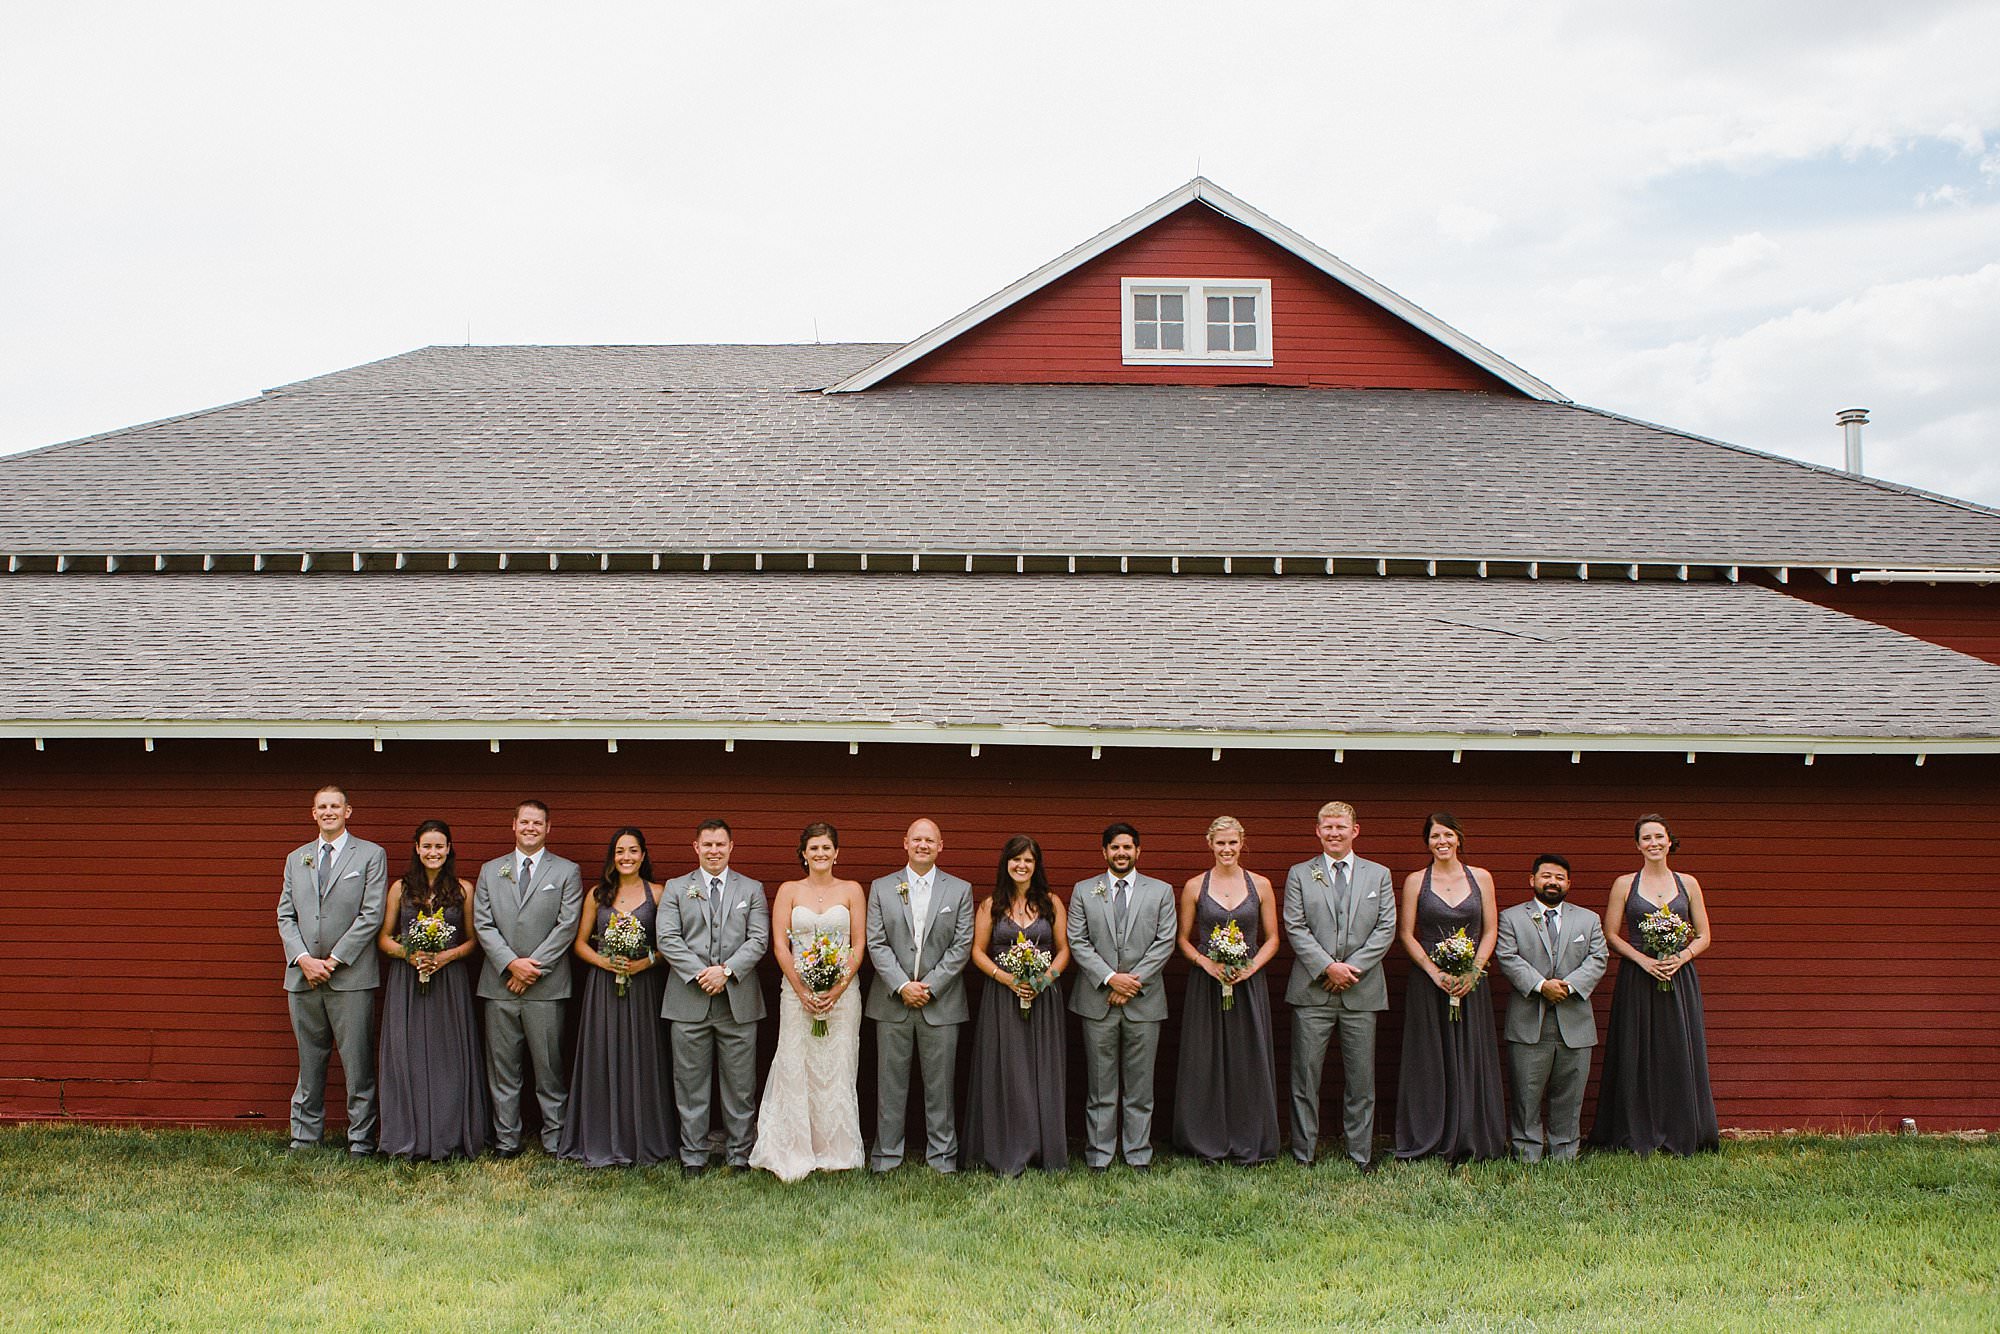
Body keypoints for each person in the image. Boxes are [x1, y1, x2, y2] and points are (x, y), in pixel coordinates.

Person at [1590, 814, 1719, 1155]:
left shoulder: (1688, 883)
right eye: (1646, 838)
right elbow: (1611, 934)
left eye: (1659, 837)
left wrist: (1683, 956)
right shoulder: (1624, 884)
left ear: (1669, 841)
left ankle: (1683, 1129)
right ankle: (1634, 1130)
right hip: (1637, 976)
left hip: (1679, 976)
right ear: (1637, 845)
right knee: (1636, 1049)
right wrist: (1643, 960)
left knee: (1678, 1048)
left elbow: (1705, 935)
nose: (1653, 843)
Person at [749, 822, 868, 1181]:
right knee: (795, 1062)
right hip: (795, 991)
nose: (820, 854)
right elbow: (780, 945)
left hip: (842, 995)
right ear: (803, 853)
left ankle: (837, 1149)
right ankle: (795, 1148)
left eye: (826, 848)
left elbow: (858, 944)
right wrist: (802, 989)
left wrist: (837, 987)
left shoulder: (851, 890)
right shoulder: (788, 890)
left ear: (837, 853)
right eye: (813, 848)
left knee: (837, 1063)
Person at [1283, 800, 1397, 1170]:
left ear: (1354, 831)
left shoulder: (1378, 875)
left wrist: (1351, 969)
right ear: (1318, 831)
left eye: (1340, 827)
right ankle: (1304, 1152)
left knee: (1361, 1080)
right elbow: (1295, 927)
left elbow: (1385, 929)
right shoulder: (1300, 874)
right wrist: (1326, 967)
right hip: (1312, 991)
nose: (1334, 833)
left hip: (1361, 992)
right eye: (1327, 827)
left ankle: (1359, 1153)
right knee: (1305, 1076)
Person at [276, 783, 388, 1154]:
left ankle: (361, 1139)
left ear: (347, 812)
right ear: (313, 813)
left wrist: (335, 960)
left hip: (350, 976)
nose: (328, 812)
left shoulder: (370, 855)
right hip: (302, 976)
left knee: (357, 1063)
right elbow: (285, 914)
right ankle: (305, 1137)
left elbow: (371, 914)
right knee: (309, 1061)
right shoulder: (297, 857)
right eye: (322, 807)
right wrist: (304, 959)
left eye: (335, 806)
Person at [471, 799, 584, 1157]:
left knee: (549, 1067)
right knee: (503, 1068)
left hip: (546, 986)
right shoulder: (491, 870)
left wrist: (532, 967)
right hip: (500, 984)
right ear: (514, 825)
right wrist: (510, 964)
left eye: (537, 823)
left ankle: (555, 1138)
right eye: (525, 822)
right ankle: (507, 1139)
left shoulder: (567, 871)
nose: (530, 828)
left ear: (548, 828)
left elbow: (567, 926)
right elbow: (483, 924)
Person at [656, 818, 770, 1175]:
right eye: (707, 845)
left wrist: (727, 971)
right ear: (696, 847)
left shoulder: (751, 889)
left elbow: (759, 939)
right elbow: (668, 939)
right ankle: (693, 1154)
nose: (714, 851)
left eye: (720, 844)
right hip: (688, 1000)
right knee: (690, 1083)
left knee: (740, 1085)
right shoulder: (676, 888)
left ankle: (740, 1154)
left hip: (738, 1001)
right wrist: (702, 973)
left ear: (731, 847)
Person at [557, 827, 675, 1166]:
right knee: (603, 1054)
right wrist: (606, 963)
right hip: (603, 987)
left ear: (643, 855)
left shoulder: (659, 893)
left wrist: (644, 963)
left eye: (633, 851)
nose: (626, 857)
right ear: (613, 857)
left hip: (643, 986)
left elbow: (668, 946)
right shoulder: (598, 894)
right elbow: (580, 943)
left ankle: (644, 1137)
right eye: (620, 851)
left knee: (643, 1055)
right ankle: (599, 1136)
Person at [1392, 812, 1506, 1162]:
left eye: (1447, 835)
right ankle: (1429, 1133)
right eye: (1434, 836)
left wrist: (1473, 970)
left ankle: (1472, 1134)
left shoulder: (1481, 878)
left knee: (1470, 1053)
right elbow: (1406, 934)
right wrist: (1432, 971)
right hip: (1430, 984)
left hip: (1471, 983)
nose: (1441, 842)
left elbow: (1489, 930)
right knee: (1429, 1056)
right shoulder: (1416, 881)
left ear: (1459, 838)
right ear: (1427, 842)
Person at [865, 817, 975, 1174]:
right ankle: (886, 1157)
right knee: (890, 1085)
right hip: (892, 1001)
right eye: (917, 839)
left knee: (940, 1087)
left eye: (930, 840)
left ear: (940, 846)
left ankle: (942, 1158)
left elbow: (961, 946)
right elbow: (876, 942)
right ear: (905, 843)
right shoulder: (882, 887)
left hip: (940, 1002)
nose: (923, 845)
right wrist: (902, 985)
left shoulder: (959, 890)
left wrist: (930, 986)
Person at [1066, 822, 1178, 1171]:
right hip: (1097, 1002)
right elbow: (1078, 941)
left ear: (1138, 851)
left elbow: (1165, 942)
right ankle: (1099, 1154)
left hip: (1144, 1003)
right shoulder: (1084, 890)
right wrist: (1111, 979)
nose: (1121, 853)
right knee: (1100, 1085)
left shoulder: (1160, 891)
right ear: (1104, 852)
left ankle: (1138, 1152)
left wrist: (1132, 983)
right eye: (1115, 847)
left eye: (1128, 847)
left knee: (1140, 1087)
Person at [1171, 815, 1282, 1165]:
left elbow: (1273, 939)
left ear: (1242, 842)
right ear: (1210, 844)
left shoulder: (1260, 885)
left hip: (1248, 985)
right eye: (1220, 843)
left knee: (1248, 1058)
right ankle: (1205, 1137)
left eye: (1233, 842)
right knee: (1205, 1060)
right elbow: (1183, 939)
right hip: (1207, 984)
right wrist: (1207, 963)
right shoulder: (1194, 886)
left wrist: (1250, 967)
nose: (1227, 849)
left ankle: (1251, 1135)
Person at [375, 819, 487, 1160]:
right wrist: (410, 955)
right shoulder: (399, 889)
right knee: (406, 1056)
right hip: (407, 982)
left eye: (439, 846)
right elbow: (382, 938)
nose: (433, 852)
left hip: (449, 983)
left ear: (449, 848)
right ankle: (406, 1137)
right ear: (417, 848)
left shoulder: (464, 889)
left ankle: (448, 1136)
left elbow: (474, 941)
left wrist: (445, 956)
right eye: (427, 846)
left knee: (448, 1058)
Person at [962, 835, 1071, 1175]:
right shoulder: (990, 905)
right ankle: (1004, 1148)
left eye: (1028, 860)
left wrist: (1044, 979)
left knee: (1041, 1070)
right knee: (1007, 1071)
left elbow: (1063, 948)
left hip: (1043, 997)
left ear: (1036, 865)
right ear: (1006, 863)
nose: (1021, 865)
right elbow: (977, 951)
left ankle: (1043, 1149)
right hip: (1002, 997)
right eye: (1015, 859)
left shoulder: (1051, 902)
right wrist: (1007, 979)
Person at [1494, 853, 1608, 1162]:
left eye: (1559, 877)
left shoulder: (1588, 919)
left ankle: (1565, 1153)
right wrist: (1541, 985)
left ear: (1569, 883)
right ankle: (1526, 1152)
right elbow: (1507, 956)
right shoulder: (1511, 917)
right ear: (1532, 880)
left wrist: (1567, 987)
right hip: (1528, 1018)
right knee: (1526, 1091)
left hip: (1576, 1020)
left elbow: (1598, 959)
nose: (1552, 882)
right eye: (1546, 876)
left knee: (1569, 1093)